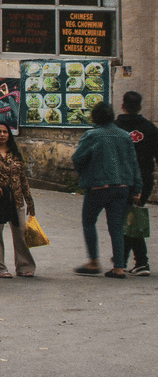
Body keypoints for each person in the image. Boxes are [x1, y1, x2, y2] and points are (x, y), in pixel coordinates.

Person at [72, 100, 142, 279]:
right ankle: (119, 267)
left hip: (97, 186)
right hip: (122, 187)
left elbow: (78, 158)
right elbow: (134, 163)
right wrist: (137, 188)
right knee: (116, 226)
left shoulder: (92, 135)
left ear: (95, 117)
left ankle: (93, 261)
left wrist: (86, 174)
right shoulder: (125, 136)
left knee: (89, 221)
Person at [0, 118, 36, 279]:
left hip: (16, 199)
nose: (2, 135)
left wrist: (29, 201)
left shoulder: (15, 154)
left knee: (20, 233)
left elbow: (23, 178)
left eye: (5, 132)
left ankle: (24, 266)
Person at [115, 91, 155, 276]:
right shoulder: (150, 128)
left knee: (127, 219)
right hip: (145, 179)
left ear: (122, 105)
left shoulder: (114, 127)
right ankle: (135, 261)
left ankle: (134, 261)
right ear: (140, 106)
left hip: (120, 179)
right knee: (132, 216)